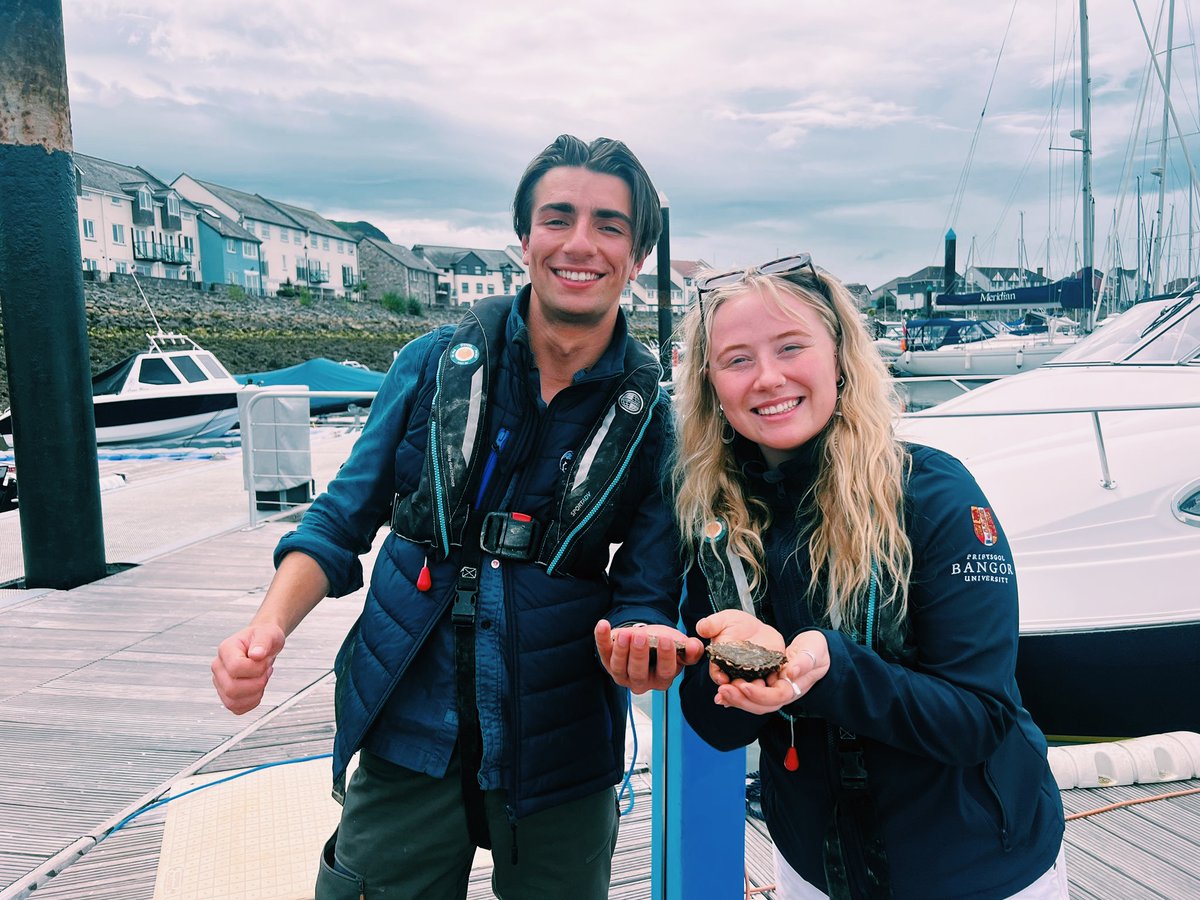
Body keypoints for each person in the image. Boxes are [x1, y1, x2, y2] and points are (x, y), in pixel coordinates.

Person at [211, 134, 703, 899]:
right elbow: (340, 521)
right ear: (524, 240)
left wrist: (641, 645)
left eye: (610, 226)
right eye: (558, 218)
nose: (581, 244)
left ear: (637, 256)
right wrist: (267, 627)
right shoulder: (432, 364)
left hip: (560, 747)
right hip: (407, 720)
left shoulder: (657, 424)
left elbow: (646, 591)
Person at [672, 256, 1067, 899]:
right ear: (711, 384)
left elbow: (978, 719)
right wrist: (732, 673)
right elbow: (717, 728)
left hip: (977, 870)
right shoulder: (715, 517)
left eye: (791, 347)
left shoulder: (934, 495)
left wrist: (831, 668)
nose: (768, 378)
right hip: (813, 868)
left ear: (840, 357)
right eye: (737, 359)